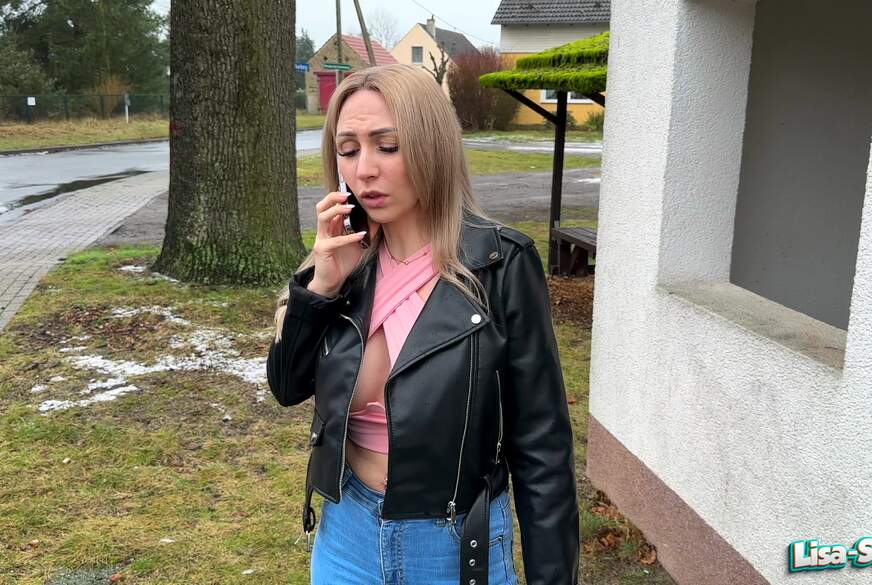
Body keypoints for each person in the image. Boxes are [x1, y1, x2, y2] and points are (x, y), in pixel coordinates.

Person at [266, 63, 578, 585]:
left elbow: (541, 443)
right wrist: (319, 290)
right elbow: (287, 387)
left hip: (452, 544)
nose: (365, 170)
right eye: (348, 150)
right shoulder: (343, 261)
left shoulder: (499, 264)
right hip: (347, 537)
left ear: (432, 147)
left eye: (387, 146)